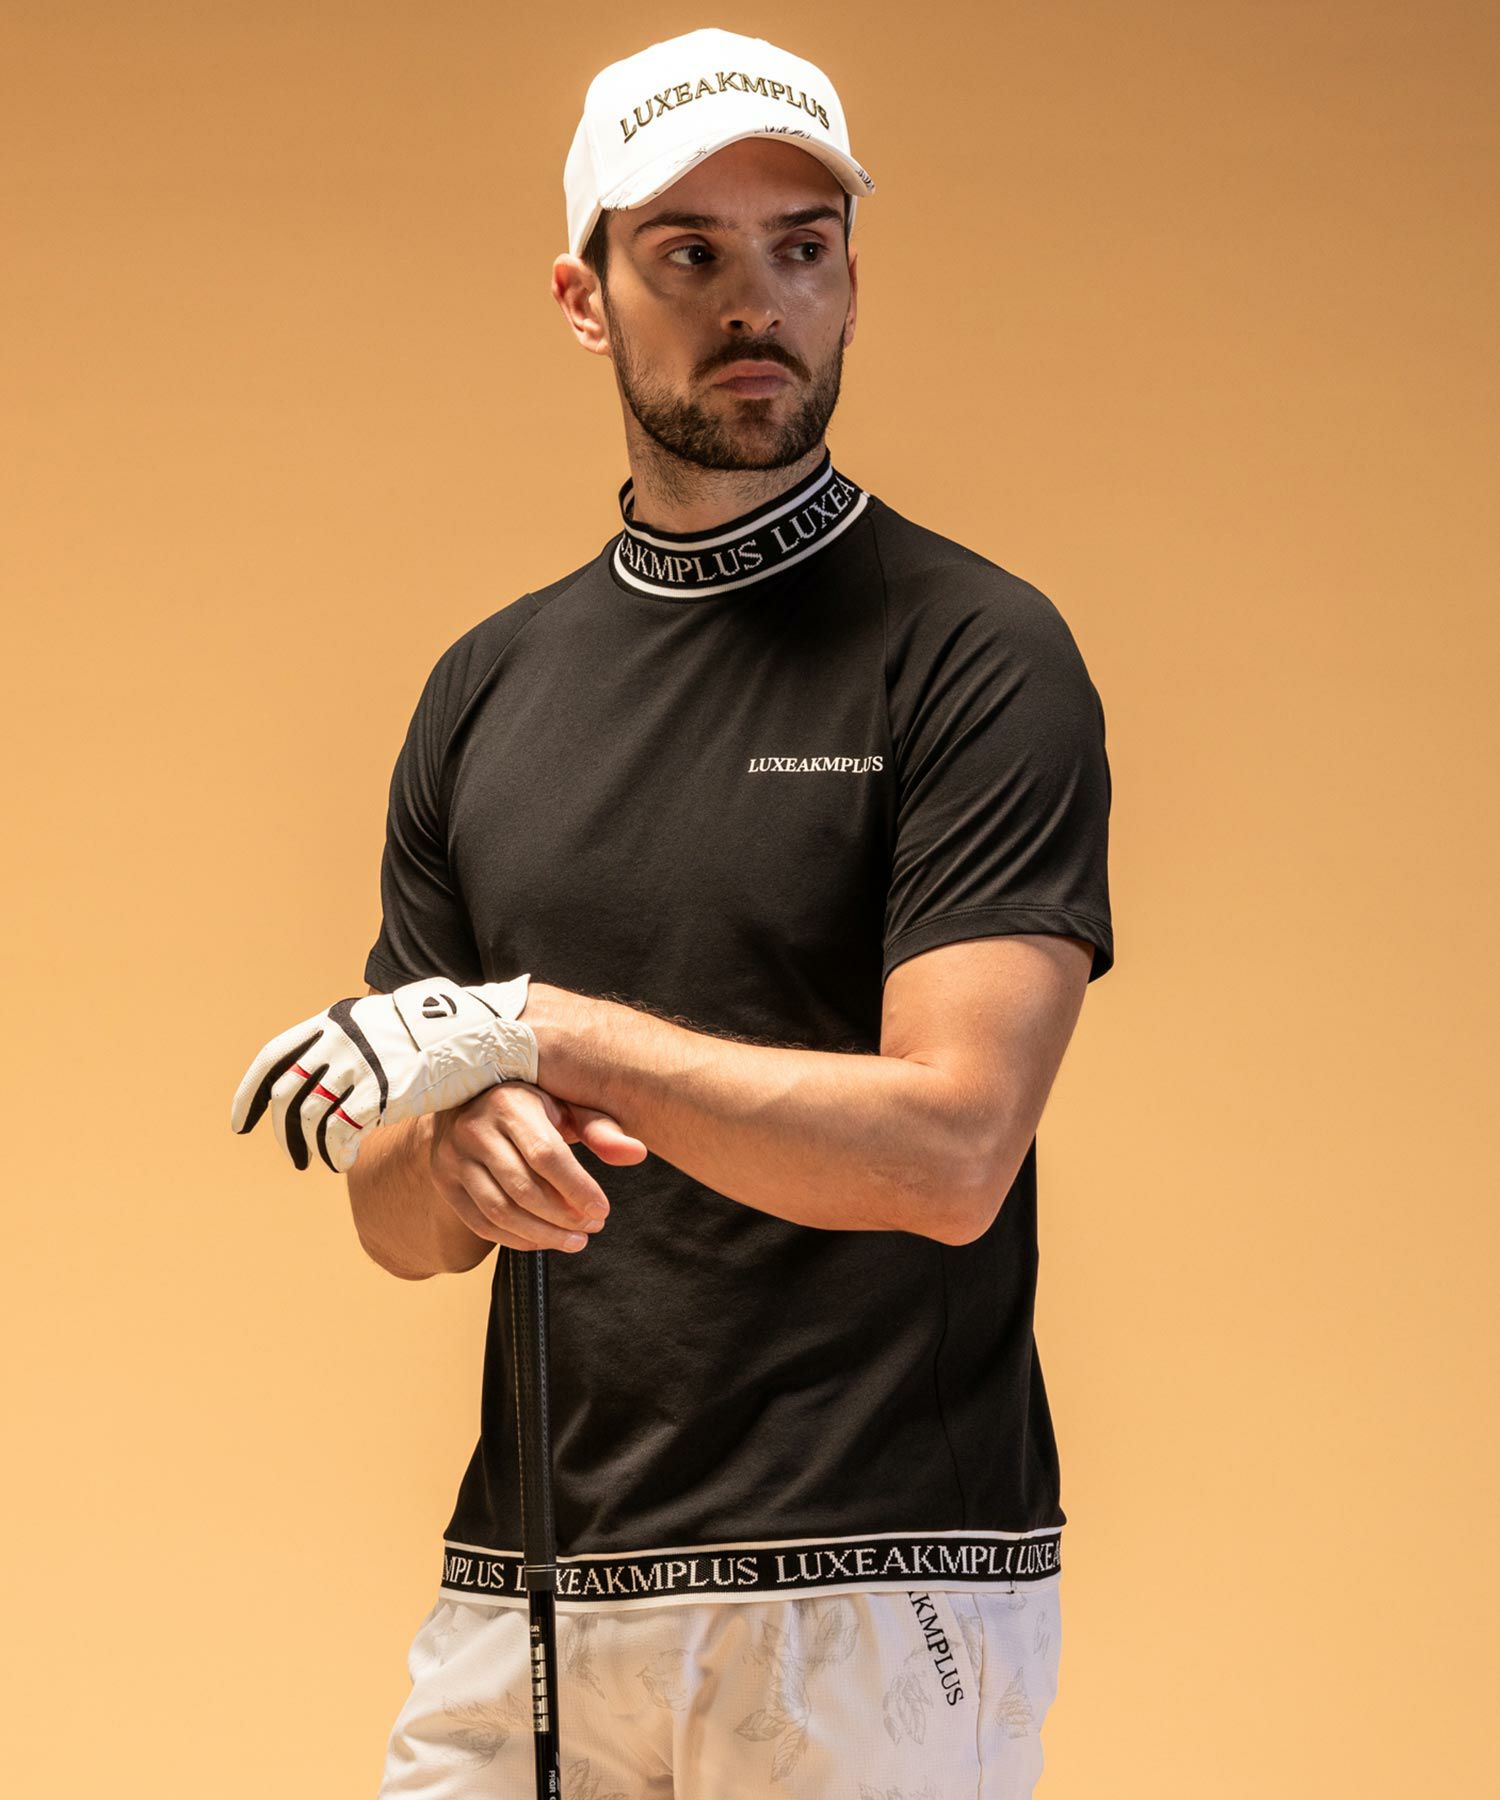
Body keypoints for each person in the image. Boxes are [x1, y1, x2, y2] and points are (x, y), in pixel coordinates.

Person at [234, 26, 1115, 1797]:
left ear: (852, 278)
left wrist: (546, 1033)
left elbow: (952, 1153)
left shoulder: (970, 652)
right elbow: (399, 1227)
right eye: (690, 252)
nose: (757, 301)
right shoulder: (488, 688)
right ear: (586, 298)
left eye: (802, 246)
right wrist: (455, 1148)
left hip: (872, 1589)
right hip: (532, 1582)